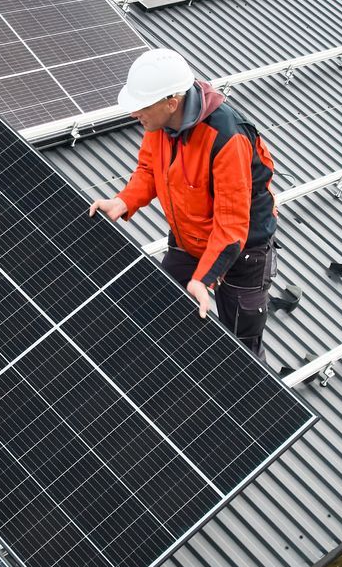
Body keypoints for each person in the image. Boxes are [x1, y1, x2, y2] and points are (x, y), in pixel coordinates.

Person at [88, 48, 280, 357]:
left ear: (171, 103)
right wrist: (123, 202)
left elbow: (231, 225)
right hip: (189, 240)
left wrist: (203, 279)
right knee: (165, 309)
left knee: (242, 349)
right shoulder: (160, 124)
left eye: (140, 107)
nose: (133, 115)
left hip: (243, 252)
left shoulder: (227, 137)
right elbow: (150, 169)